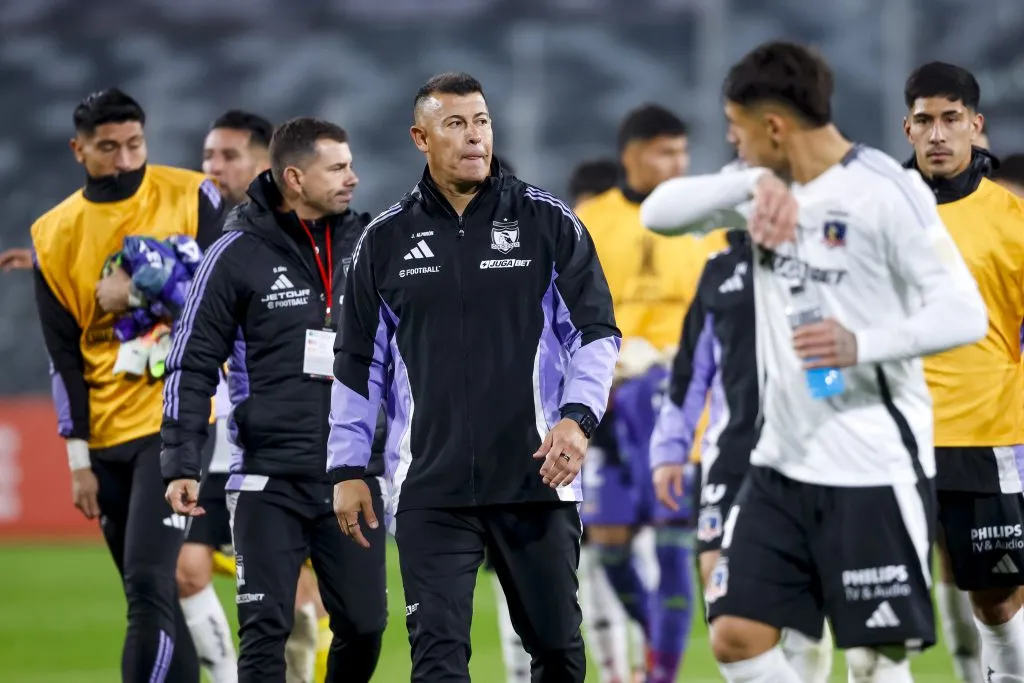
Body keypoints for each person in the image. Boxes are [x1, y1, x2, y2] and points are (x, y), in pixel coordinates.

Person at [640, 41, 988, 683]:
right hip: (778, 464)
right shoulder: (764, 187)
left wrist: (862, 343)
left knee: (873, 661)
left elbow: (963, 314)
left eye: (738, 134)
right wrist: (750, 182)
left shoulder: (886, 190)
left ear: (774, 127)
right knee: (736, 638)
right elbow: (657, 212)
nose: (734, 145)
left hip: (871, 465)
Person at [328, 71, 620, 683]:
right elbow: (358, 363)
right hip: (430, 488)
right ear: (421, 137)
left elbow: (595, 332)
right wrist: (350, 467)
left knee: (560, 655)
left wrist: (578, 418)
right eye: (455, 124)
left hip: (536, 478)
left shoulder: (547, 223)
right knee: (436, 663)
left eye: (481, 122)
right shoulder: (383, 241)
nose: (474, 137)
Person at [161, 117, 387, 683]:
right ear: (293, 177)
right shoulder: (235, 254)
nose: (353, 178)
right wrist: (182, 458)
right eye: (337, 167)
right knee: (266, 628)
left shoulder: (369, 246)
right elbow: (191, 359)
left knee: (364, 626)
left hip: (352, 478)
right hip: (267, 479)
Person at [30, 88, 227, 683]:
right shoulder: (52, 235)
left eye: (134, 145)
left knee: (147, 588)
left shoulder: (192, 194)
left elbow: (224, 299)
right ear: (78, 150)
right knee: (153, 595)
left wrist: (143, 288)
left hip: (176, 423)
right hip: (106, 439)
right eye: (108, 148)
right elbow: (64, 358)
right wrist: (78, 460)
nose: (124, 160)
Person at [574, 104, 718, 683]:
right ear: (631, 155)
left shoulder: (707, 221)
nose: (678, 163)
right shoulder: (591, 218)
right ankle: (656, 643)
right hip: (608, 399)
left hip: (678, 403)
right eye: (665, 152)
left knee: (672, 538)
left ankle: (662, 673)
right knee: (608, 543)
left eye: (683, 152)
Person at [903, 62, 1024, 683]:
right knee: (880, 611)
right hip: (889, 440)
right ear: (908, 128)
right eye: (925, 120)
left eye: (952, 119)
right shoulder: (878, 216)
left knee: (997, 601)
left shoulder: (1013, 220)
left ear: (976, 126)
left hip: (985, 438)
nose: (938, 134)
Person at [174, 108, 274, 683]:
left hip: (271, 436)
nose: (212, 167)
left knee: (297, 593)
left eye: (228, 156)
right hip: (212, 435)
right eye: (208, 155)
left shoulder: (282, 233)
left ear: (265, 163)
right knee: (187, 571)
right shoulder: (193, 223)